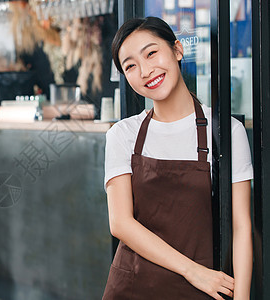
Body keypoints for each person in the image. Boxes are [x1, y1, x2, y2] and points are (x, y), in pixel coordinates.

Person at [103, 17, 253, 300]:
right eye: (131, 66)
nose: (146, 70)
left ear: (177, 50)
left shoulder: (226, 131)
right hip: (133, 288)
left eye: (151, 53)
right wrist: (192, 270)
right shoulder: (123, 135)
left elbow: (241, 226)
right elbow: (120, 223)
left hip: (203, 290)